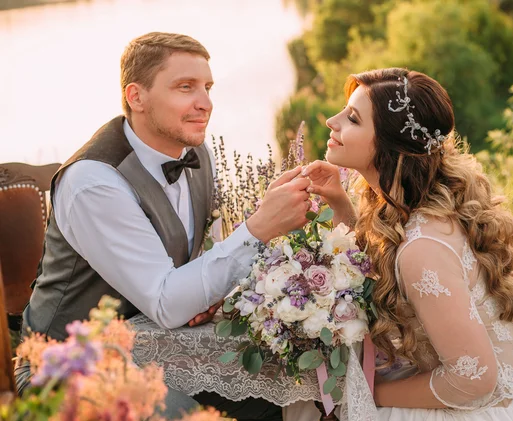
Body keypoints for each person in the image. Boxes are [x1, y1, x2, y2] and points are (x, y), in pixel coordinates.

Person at [16, 32, 312, 421]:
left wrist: (209, 297)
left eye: (207, 87)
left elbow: (192, 267)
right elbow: (166, 301)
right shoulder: (94, 182)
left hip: (159, 343)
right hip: (67, 363)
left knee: (287, 391)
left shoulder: (197, 153)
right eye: (185, 87)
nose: (205, 103)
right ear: (136, 96)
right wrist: (258, 228)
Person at [303, 68, 513, 420]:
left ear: (389, 143)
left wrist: (369, 392)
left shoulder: (423, 248)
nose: (332, 122)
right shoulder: (411, 203)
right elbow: (370, 265)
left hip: (491, 407)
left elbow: (474, 379)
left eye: (352, 118)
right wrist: (339, 203)